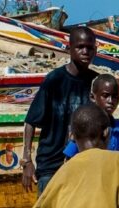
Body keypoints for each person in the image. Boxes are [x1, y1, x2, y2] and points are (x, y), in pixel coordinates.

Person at [20, 27, 99, 195]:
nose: (85, 51)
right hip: (51, 167)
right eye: (80, 47)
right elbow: (31, 121)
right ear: (69, 48)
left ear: (95, 50)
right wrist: (27, 160)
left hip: (84, 166)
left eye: (90, 47)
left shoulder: (95, 83)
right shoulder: (54, 80)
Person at [63, 74, 119, 159]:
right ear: (92, 97)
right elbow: (70, 159)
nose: (110, 101)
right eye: (105, 96)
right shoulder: (83, 125)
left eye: (114, 97)